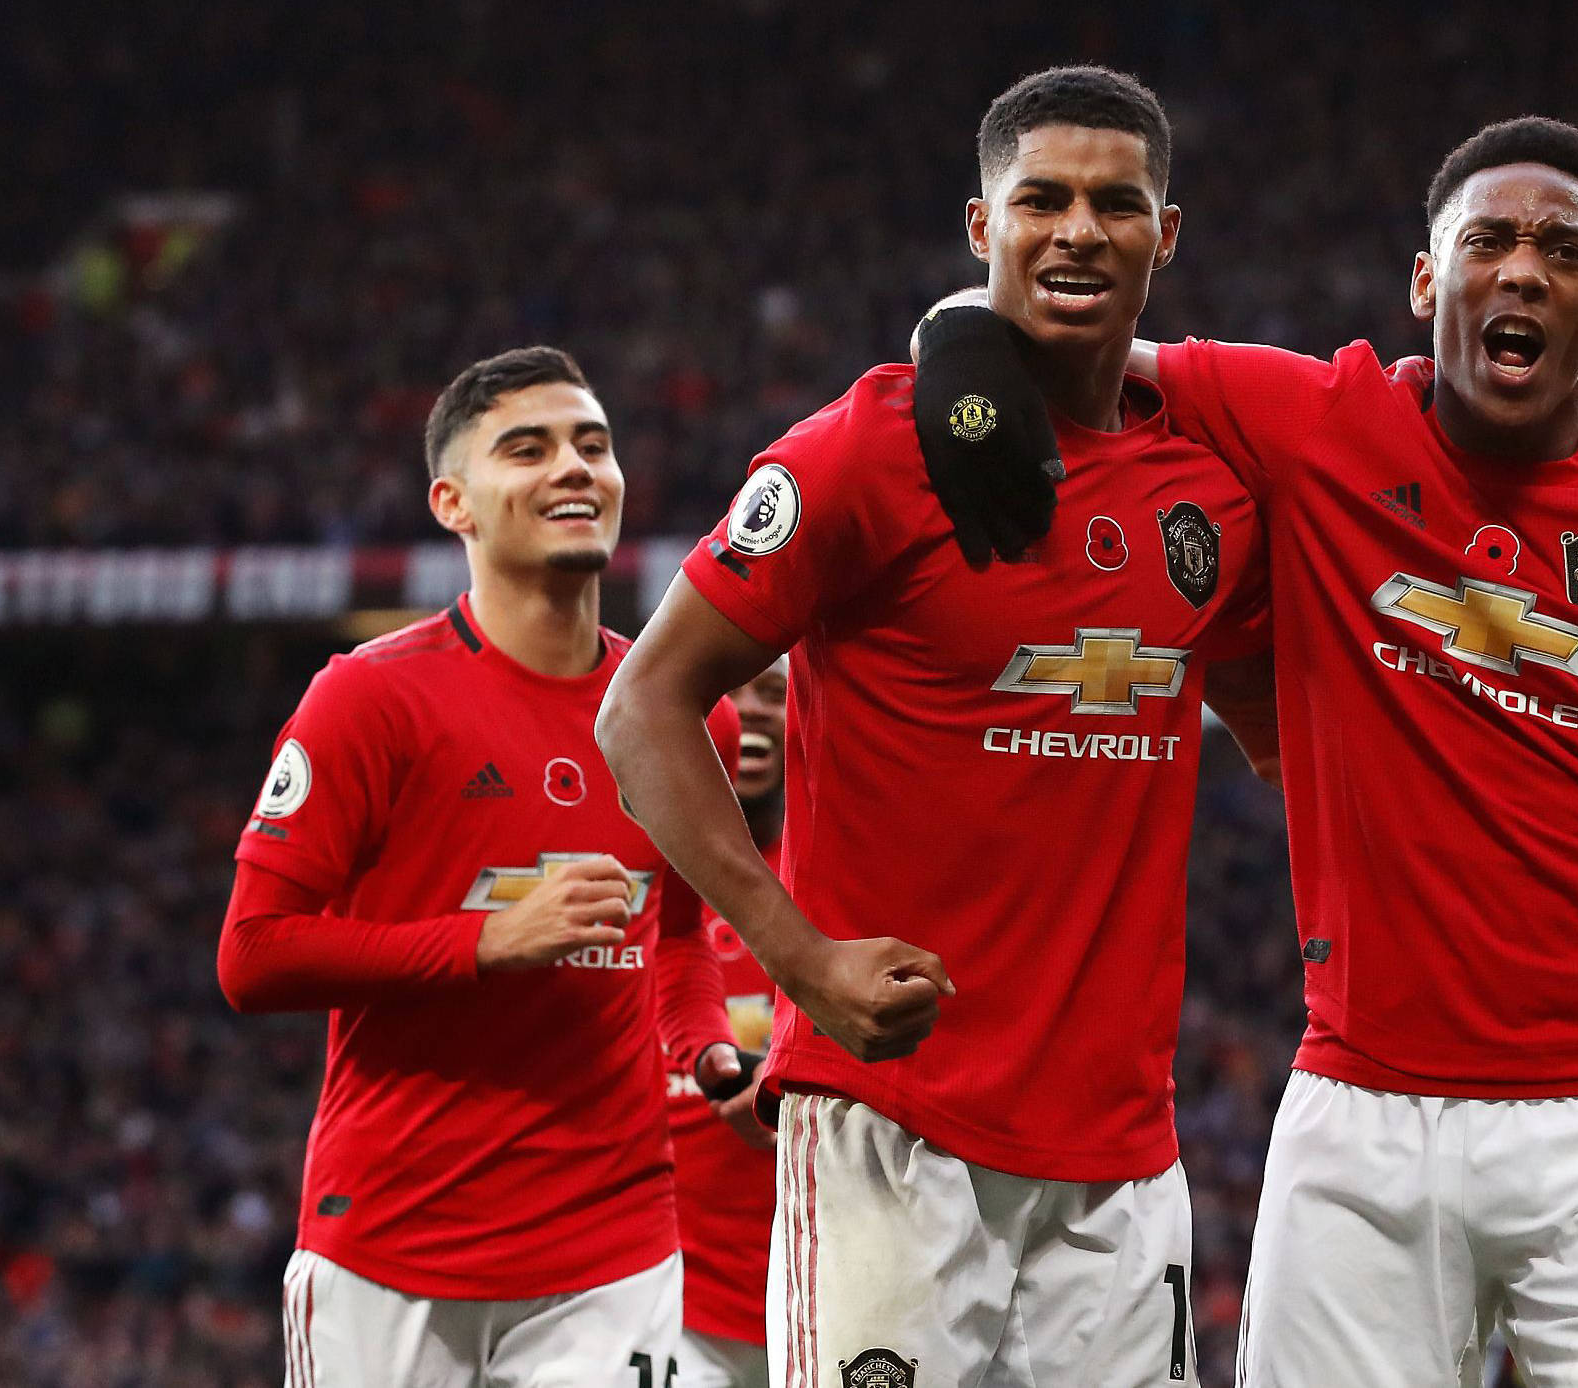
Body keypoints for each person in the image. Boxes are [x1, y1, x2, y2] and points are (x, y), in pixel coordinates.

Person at [912, 116, 1578, 1385]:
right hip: (1360, 1118)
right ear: (1427, 281)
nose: (1524, 269)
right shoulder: (1317, 422)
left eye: (1564, 251)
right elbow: (1052, 315)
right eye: (1488, 240)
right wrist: (952, 337)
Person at [596, 66, 1276, 1388]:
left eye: (1116, 204)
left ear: (1167, 235)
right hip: (890, 1125)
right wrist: (799, 960)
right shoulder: (861, 451)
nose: (1078, 230)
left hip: (1121, 1154)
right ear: (981, 227)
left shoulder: (1214, 491)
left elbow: (1283, 736)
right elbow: (641, 707)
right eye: (1042, 200)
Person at [218, 346, 748, 1387]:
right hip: (394, 1240)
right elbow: (253, 955)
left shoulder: (688, 718)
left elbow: (678, 938)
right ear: (452, 503)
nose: (574, 467)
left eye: (592, 445)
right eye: (528, 448)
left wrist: (707, 1053)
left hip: (615, 1246)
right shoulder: (371, 700)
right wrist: (487, 940)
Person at [669, 657, 790, 1388]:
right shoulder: (630, 871)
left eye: (773, 692)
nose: (748, 713)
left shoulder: (854, 872)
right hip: (668, 1295)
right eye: (724, 692)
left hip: (829, 1278)